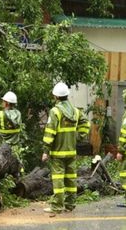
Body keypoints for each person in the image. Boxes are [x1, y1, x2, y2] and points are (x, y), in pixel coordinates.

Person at [42, 82, 90, 213]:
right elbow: (86, 123)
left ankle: (57, 206)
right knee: (70, 178)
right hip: (71, 151)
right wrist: (80, 135)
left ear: (56, 97)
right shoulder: (75, 111)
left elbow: (50, 132)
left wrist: (46, 150)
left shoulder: (55, 111)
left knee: (58, 179)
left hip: (58, 152)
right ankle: (70, 204)